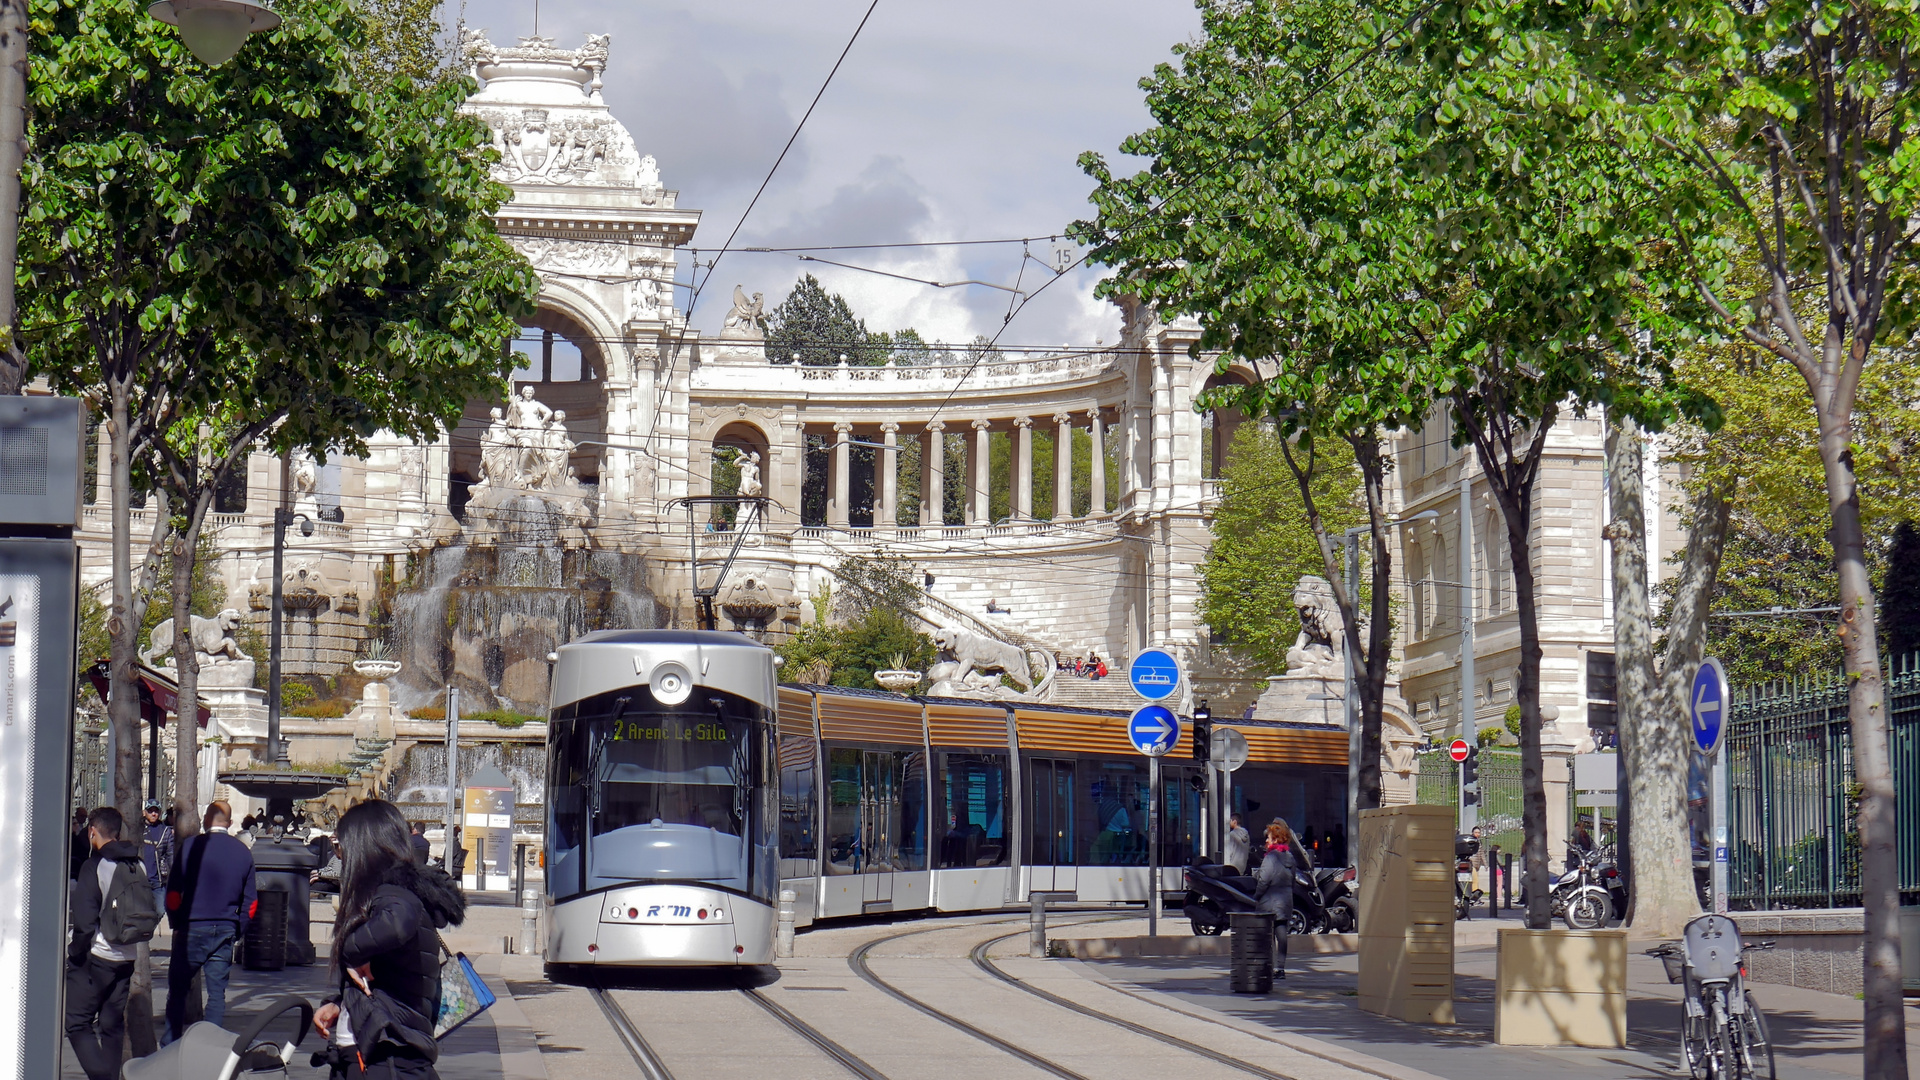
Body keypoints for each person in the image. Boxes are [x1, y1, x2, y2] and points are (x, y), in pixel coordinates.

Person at [313, 800, 467, 1078]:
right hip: (379, 1052)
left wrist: (348, 951)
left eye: (341, 846)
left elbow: (398, 923)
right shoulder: (388, 894)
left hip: (387, 1056)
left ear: (364, 847)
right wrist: (336, 1001)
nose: (341, 856)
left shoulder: (392, 894)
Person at [163, 800, 256, 1043]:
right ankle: (210, 1045)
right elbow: (251, 904)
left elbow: (173, 894)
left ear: (205, 820)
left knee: (178, 993)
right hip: (225, 928)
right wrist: (238, 930)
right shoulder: (243, 853)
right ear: (230, 823)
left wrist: (176, 922)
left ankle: (170, 1045)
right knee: (217, 995)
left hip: (192, 927)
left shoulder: (191, 846)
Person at [67, 807, 146, 1080]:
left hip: (98, 956)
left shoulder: (95, 865)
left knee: (77, 1023)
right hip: (127, 956)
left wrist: (75, 953)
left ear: (92, 832)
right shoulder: (138, 863)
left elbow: (85, 921)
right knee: (112, 1026)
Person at [1254, 820, 1298, 981]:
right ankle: (1280, 968)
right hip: (1285, 901)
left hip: (1269, 902)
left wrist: (1257, 896)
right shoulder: (1290, 858)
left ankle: (1267, 966)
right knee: (1282, 934)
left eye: (1269, 838)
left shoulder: (1270, 858)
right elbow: (1293, 881)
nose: (1266, 840)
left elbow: (1263, 880)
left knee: (1267, 936)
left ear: (1276, 840)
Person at [140, 799, 175, 915]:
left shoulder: (165, 831)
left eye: (156, 811)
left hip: (157, 881)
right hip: (140, 879)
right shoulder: (138, 829)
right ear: (145, 812)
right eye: (150, 811)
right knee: (141, 911)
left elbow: (170, 854)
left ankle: (150, 928)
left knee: (160, 910)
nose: (153, 814)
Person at [69, 806, 91, 880]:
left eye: (85, 816)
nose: (84, 818)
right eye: (82, 816)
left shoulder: (85, 830)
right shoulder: (72, 834)